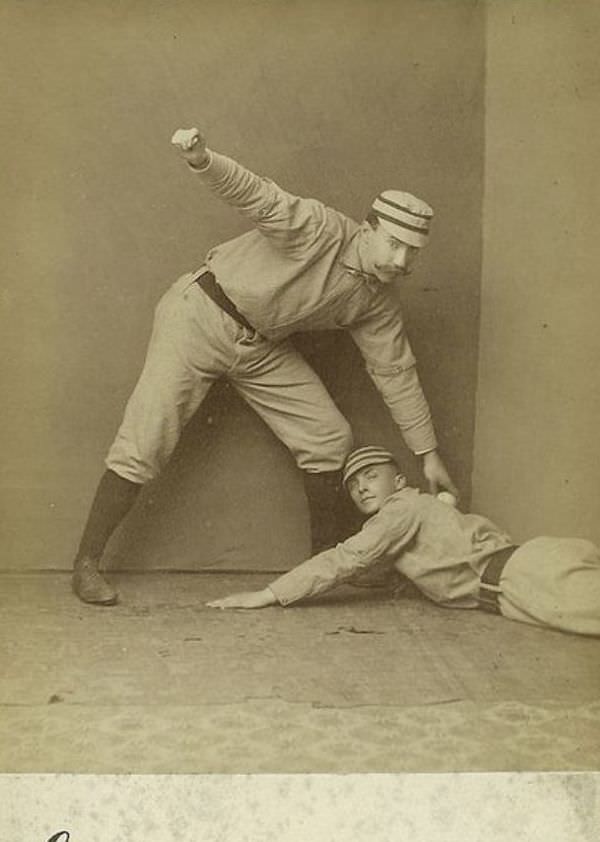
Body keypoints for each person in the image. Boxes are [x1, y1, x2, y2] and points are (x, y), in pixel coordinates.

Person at [72, 128, 457, 606]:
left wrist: (428, 453)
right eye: (394, 244)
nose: (401, 260)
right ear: (369, 227)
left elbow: (395, 372)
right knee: (144, 441)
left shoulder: (378, 300)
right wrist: (201, 159)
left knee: (328, 438)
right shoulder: (319, 229)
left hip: (258, 345)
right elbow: (258, 195)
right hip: (199, 316)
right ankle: (86, 562)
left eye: (412, 252)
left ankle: (326, 564)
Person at [207, 445, 600, 637]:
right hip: (513, 588)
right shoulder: (404, 519)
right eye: (353, 485)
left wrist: (268, 594)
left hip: (529, 575)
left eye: (370, 476)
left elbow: (347, 559)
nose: (360, 487)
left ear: (398, 482)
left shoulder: (400, 509)